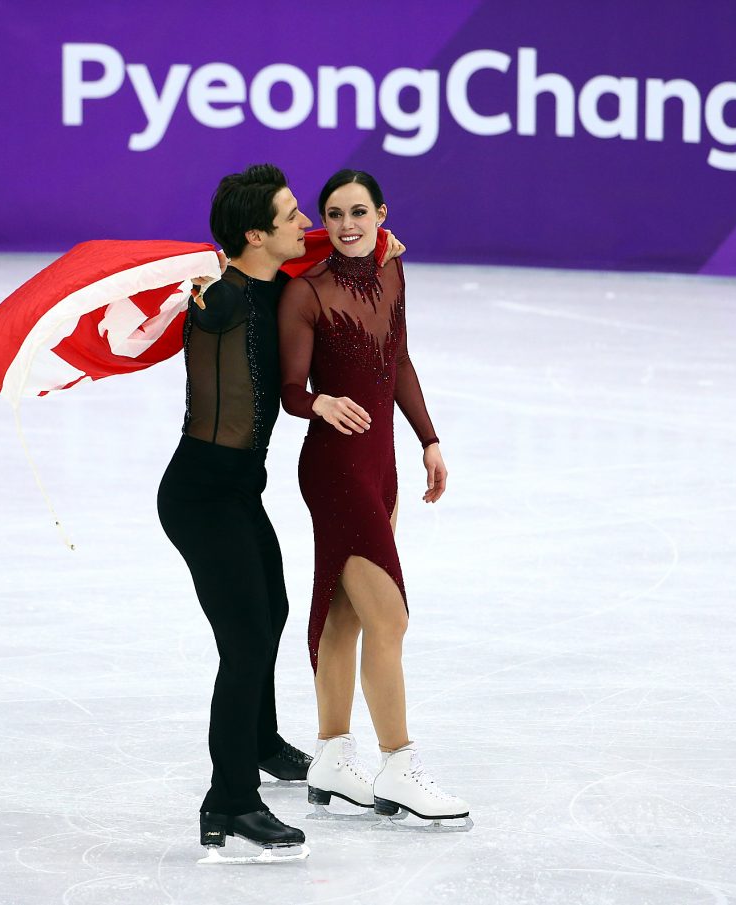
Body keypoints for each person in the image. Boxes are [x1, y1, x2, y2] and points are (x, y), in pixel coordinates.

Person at [157, 164, 403, 862]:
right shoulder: (227, 300)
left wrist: (380, 239)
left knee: (274, 607)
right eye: (293, 215)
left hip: (239, 492)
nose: (307, 225)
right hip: (201, 497)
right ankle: (229, 800)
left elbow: (333, 248)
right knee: (245, 642)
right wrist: (201, 301)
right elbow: (209, 313)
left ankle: (260, 741)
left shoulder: (277, 283)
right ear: (256, 234)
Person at [278, 169, 470, 826]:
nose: (348, 223)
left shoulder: (392, 272)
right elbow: (291, 389)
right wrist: (319, 401)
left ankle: (332, 753)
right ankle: (400, 763)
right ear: (323, 223)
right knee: (389, 617)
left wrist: (429, 438)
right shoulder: (307, 293)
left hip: (379, 465)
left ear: (380, 213)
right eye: (334, 214)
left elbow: (400, 360)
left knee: (346, 615)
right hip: (334, 469)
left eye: (359, 211)